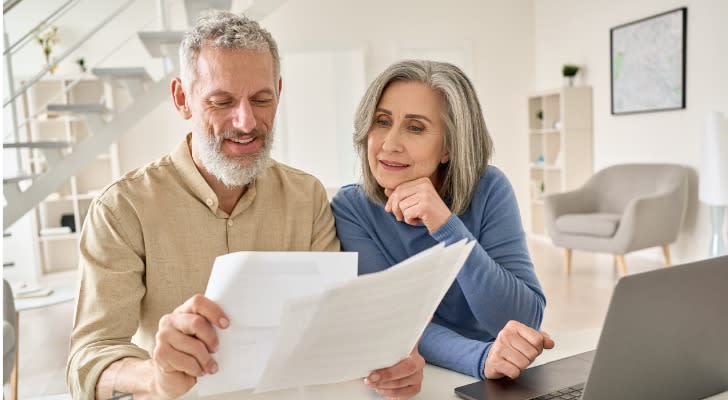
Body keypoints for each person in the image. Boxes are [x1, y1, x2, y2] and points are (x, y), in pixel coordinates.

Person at [66, 12, 423, 400]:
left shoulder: (307, 197)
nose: (246, 121)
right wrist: (154, 375)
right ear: (182, 99)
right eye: (222, 101)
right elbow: (89, 359)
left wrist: (393, 359)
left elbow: (333, 327)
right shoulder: (122, 208)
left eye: (261, 99)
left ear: (279, 93)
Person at [331, 60, 554, 380]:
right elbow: (392, 320)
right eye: (382, 121)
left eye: (415, 127)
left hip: (495, 374)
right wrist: (480, 358)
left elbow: (523, 318)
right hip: (416, 374)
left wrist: (447, 227)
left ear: (449, 146)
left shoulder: (489, 188)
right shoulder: (352, 207)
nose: (389, 144)